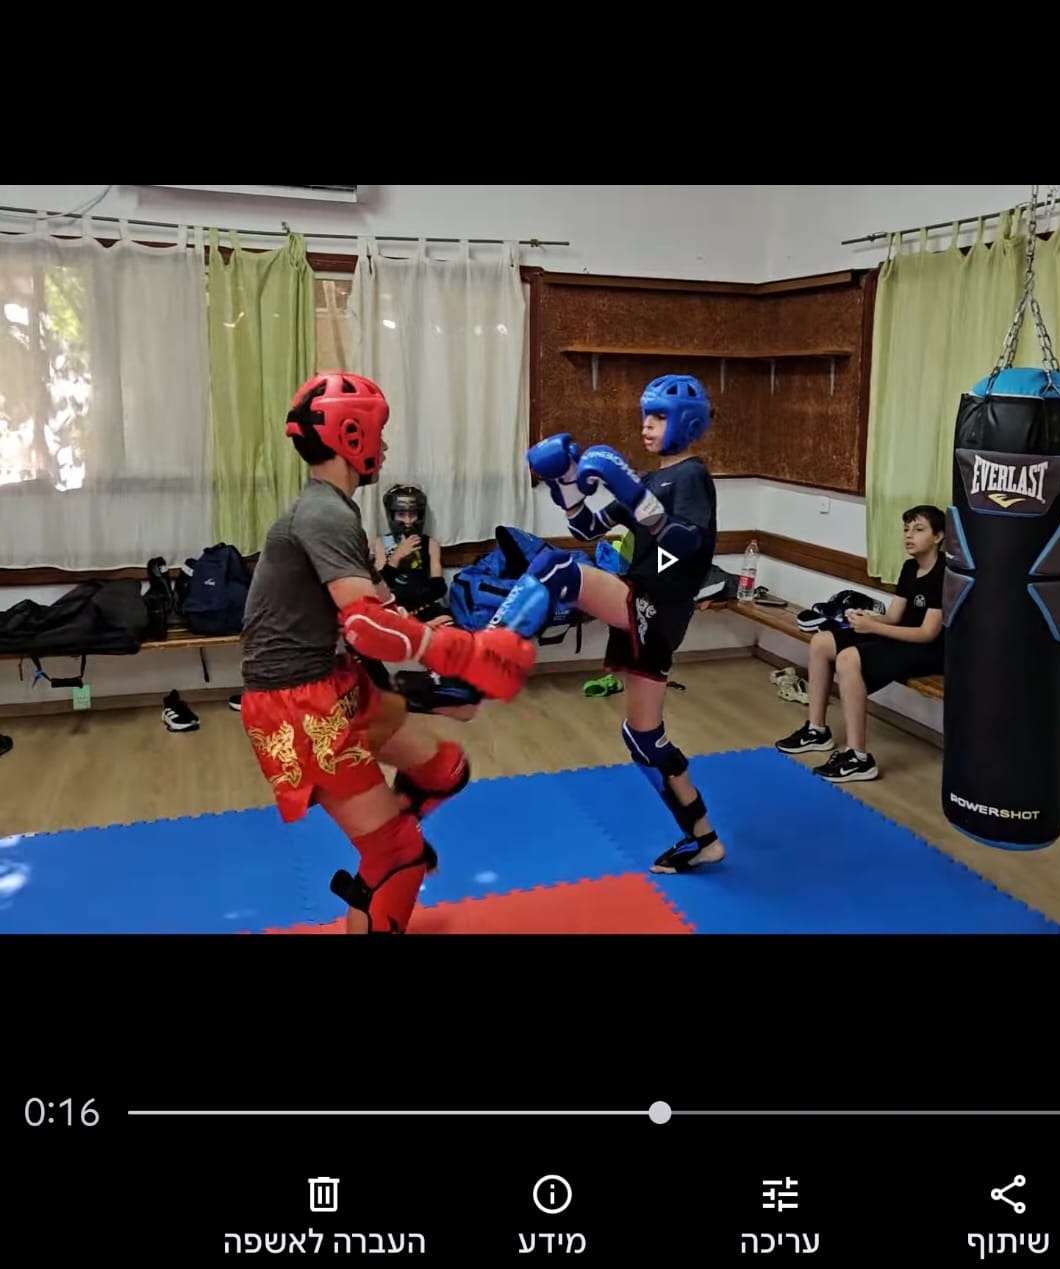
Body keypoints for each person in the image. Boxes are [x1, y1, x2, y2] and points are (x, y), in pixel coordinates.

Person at [238, 371, 535, 933]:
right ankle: (390, 856)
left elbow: (377, 602)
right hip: (297, 704)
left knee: (444, 770)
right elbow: (366, 627)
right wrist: (462, 655)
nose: (385, 444)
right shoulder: (324, 514)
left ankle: (389, 847)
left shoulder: (335, 509)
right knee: (397, 854)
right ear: (351, 434)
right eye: (379, 432)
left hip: (336, 680)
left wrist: (447, 659)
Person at [491, 374, 724, 873]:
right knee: (643, 738)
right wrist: (566, 482)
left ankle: (481, 657)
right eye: (646, 415)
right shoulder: (650, 480)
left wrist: (634, 495)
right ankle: (703, 839)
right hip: (646, 605)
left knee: (555, 569)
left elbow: (687, 545)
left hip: (657, 602)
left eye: (658, 417)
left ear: (686, 423)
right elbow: (586, 527)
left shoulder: (691, 476)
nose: (646, 425)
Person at [776, 504, 947, 781]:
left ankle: (859, 758)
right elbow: (894, 617)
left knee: (848, 658)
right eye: (906, 529)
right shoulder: (909, 568)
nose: (909, 535)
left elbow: (927, 633)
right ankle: (817, 731)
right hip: (900, 637)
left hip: (929, 650)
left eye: (918, 529)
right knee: (822, 641)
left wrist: (874, 628)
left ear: (938, 536)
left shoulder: (944, 574)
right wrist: (867, 619)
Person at [372, 484, 449, 622]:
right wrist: (397, 556)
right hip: (393, 611)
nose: (408, 521)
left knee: (448, 625)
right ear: (392, 515)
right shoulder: (381, 543)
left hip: (423, 610)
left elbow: (439, 588)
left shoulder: (430, 543)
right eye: (401, 515)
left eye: (412, 515)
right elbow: (379, 586)